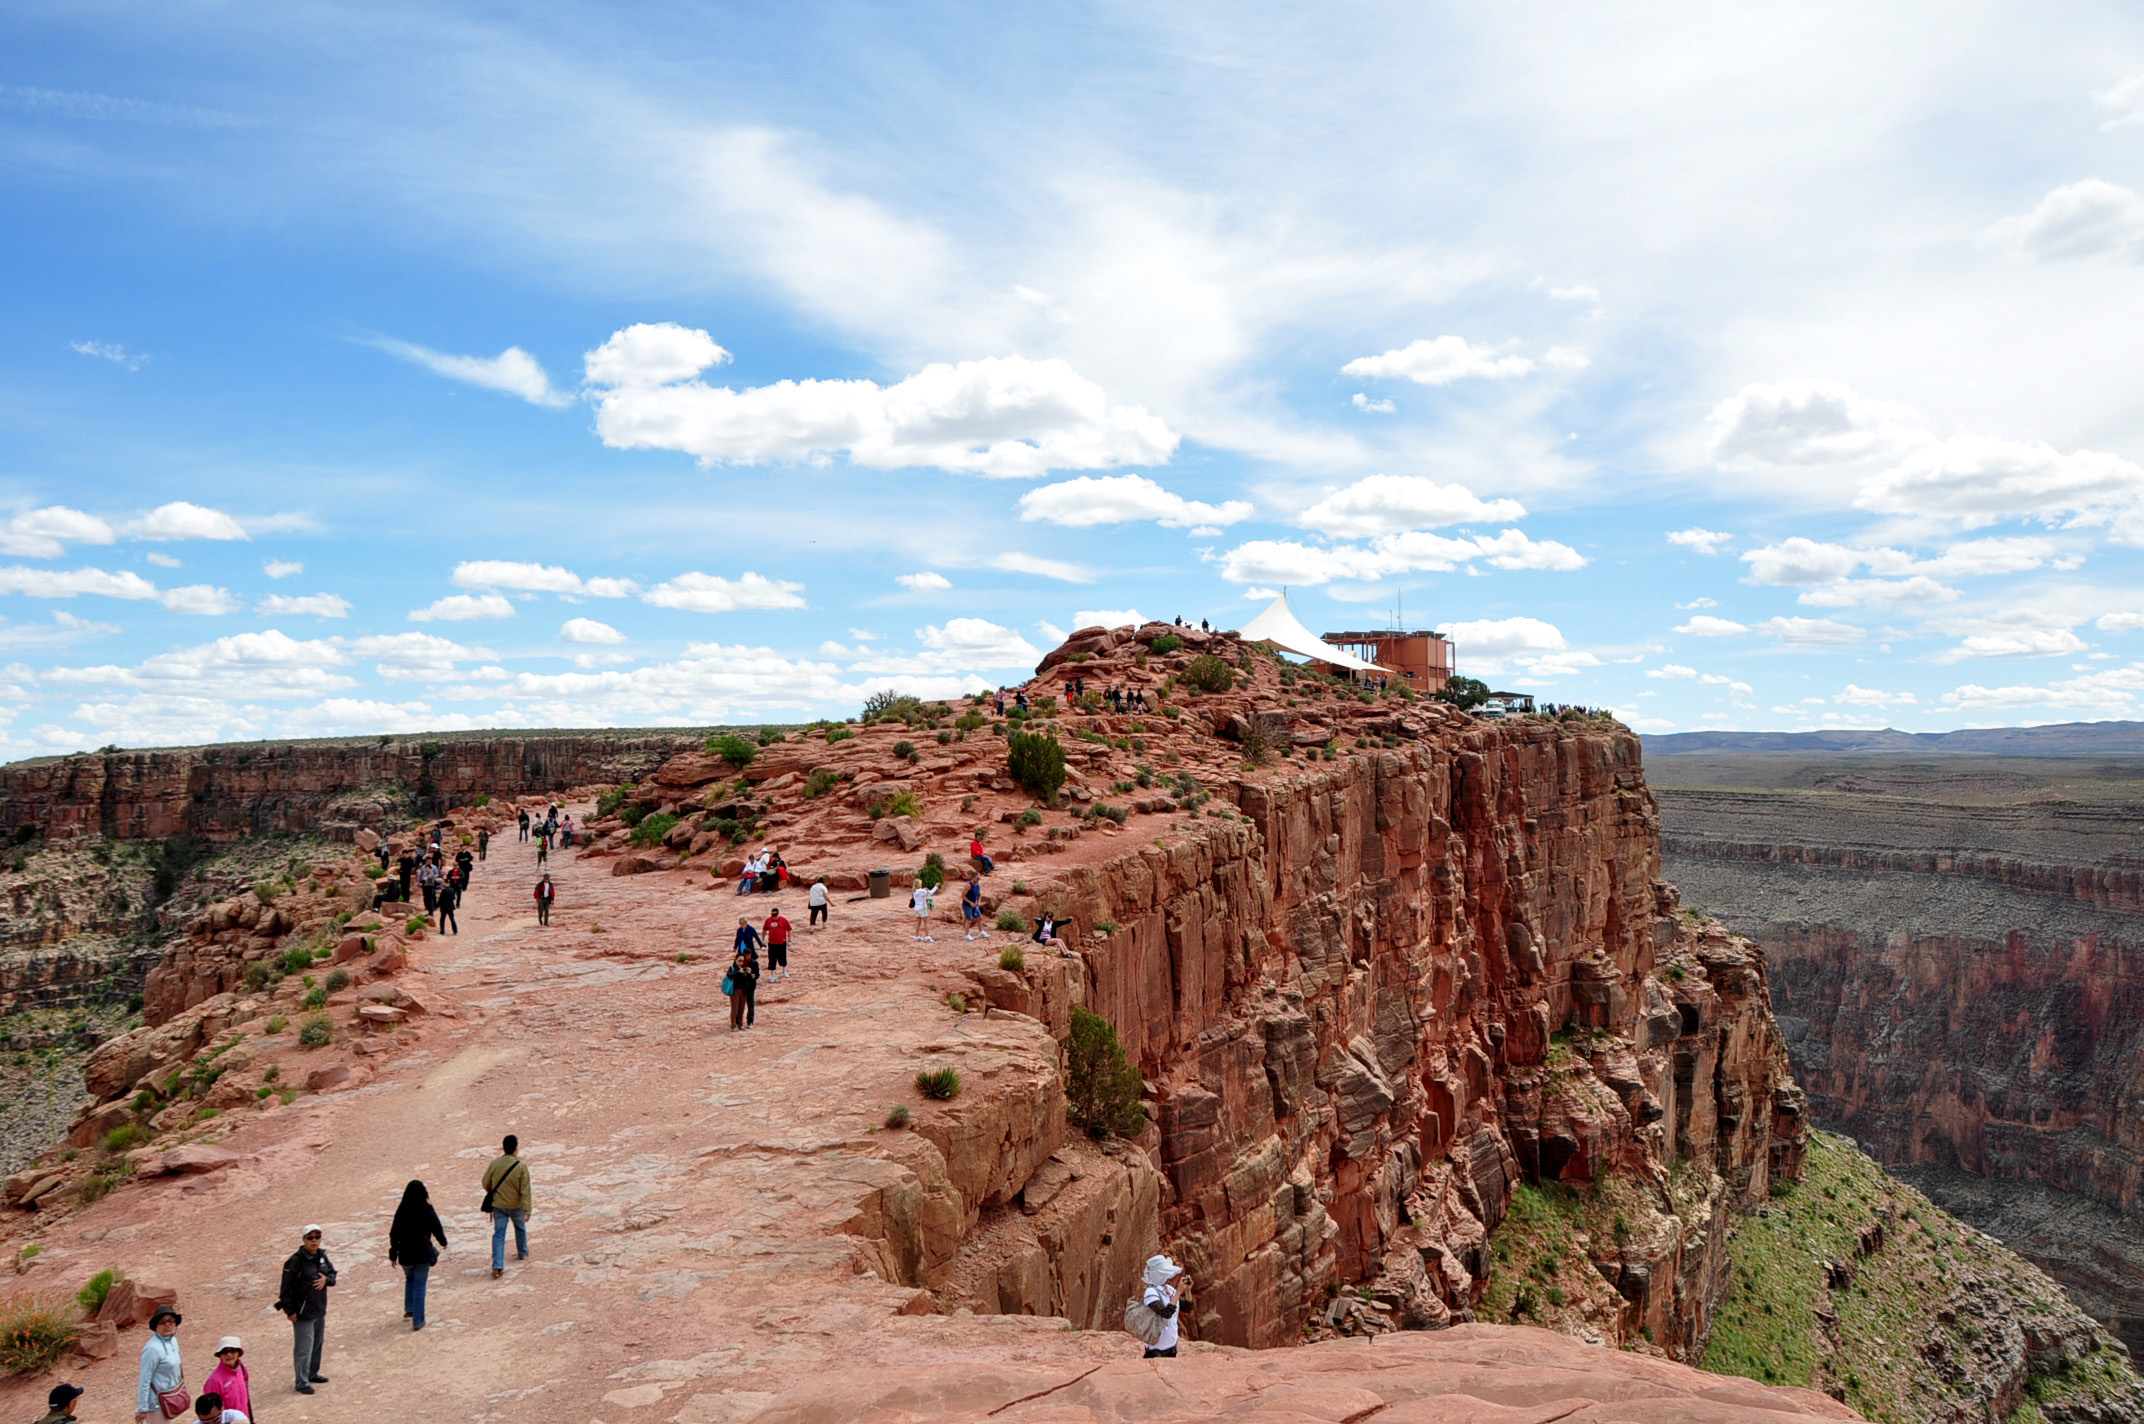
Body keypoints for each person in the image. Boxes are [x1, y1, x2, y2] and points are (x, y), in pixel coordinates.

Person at [275, 1225, 334, 1394]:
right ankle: (301, 1382)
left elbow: (332, 1274)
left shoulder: (321, 1256)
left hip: (319, 1309)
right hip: (303, 1313)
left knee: (317, 1343)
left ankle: (312, 1373)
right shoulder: (295, 1261)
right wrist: (290, 1311)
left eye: (317, 1237)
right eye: (310, 1237)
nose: (314, 1240)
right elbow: (286, 1288)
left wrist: (326, 1280)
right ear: (304, 1239)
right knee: (304, 1348)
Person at [387, 1180, 448, 1330]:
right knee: (420, 1285)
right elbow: (436, 1227)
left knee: (410, 1279)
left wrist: (393, 1254)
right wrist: (443, 1241)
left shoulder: (402, 1210)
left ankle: (410, 1308)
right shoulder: (427, 1209)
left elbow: (394, 1233)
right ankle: (418, 1321)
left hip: (406, 1254)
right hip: (423, 1253)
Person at [482, 1135, 532, 1278]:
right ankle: (522, 1252)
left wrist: (493, 1192)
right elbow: (525, 1190)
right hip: (516, 1205)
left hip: (498, 1205)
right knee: (520, 1227)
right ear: (516, 1148)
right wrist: (528, 1209)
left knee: (499, 1234)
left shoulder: (495, 1164)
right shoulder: (521, 1166)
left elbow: (485, 1182)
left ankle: (497, 1265)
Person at [135, 1305, 183, 1422]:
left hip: (171, 1400)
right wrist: (142, 1408)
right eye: (162, 1321)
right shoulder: (152, 1349)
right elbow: (144, 1379)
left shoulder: (173, 1341)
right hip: (156, 1405)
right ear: (156, 1325)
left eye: (171, 1320)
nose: (167, 1324)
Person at [1139, 1254, 1189, 1358]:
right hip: (1156, 1348)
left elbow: (1187, 1307)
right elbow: (1166, 1313)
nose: (1169, 1277)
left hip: (1171, 1344)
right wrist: (1178, 1293)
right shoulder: (1150, 1293)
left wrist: (1188, 1290)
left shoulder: (1169, 1289)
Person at [201, 1337, 251, 1421]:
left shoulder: (242, 1369)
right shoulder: (214, 1380)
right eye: (224, 1352)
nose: (229, 1354)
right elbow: (210, 1410)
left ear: (238, 1353)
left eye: (232, 1350)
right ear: (220, 1356)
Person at [727, 942, 760, 1030]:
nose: (747, 958)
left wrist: (751, 974)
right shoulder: (735, 967)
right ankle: (734, 1024)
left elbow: (756, 975)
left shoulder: (753, 963)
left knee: (747, 1006)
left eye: (749, 955)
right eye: (745, 956)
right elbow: (731, 975)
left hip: (748, 988)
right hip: (737, 989)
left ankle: (747, 1022)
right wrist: (740, 972)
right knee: (735, 1008)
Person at [762, 907, 791, 981]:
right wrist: (762, 939)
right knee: (772, 959)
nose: (774, 917)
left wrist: (789, 940)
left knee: (783, 957)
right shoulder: (768, 920)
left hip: (781, 942)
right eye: (773, 916)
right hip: (772, 943)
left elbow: (789, 930)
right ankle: (773, 974)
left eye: (775, 916)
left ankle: (784, 971)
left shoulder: (784, 920)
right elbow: (764, 930)